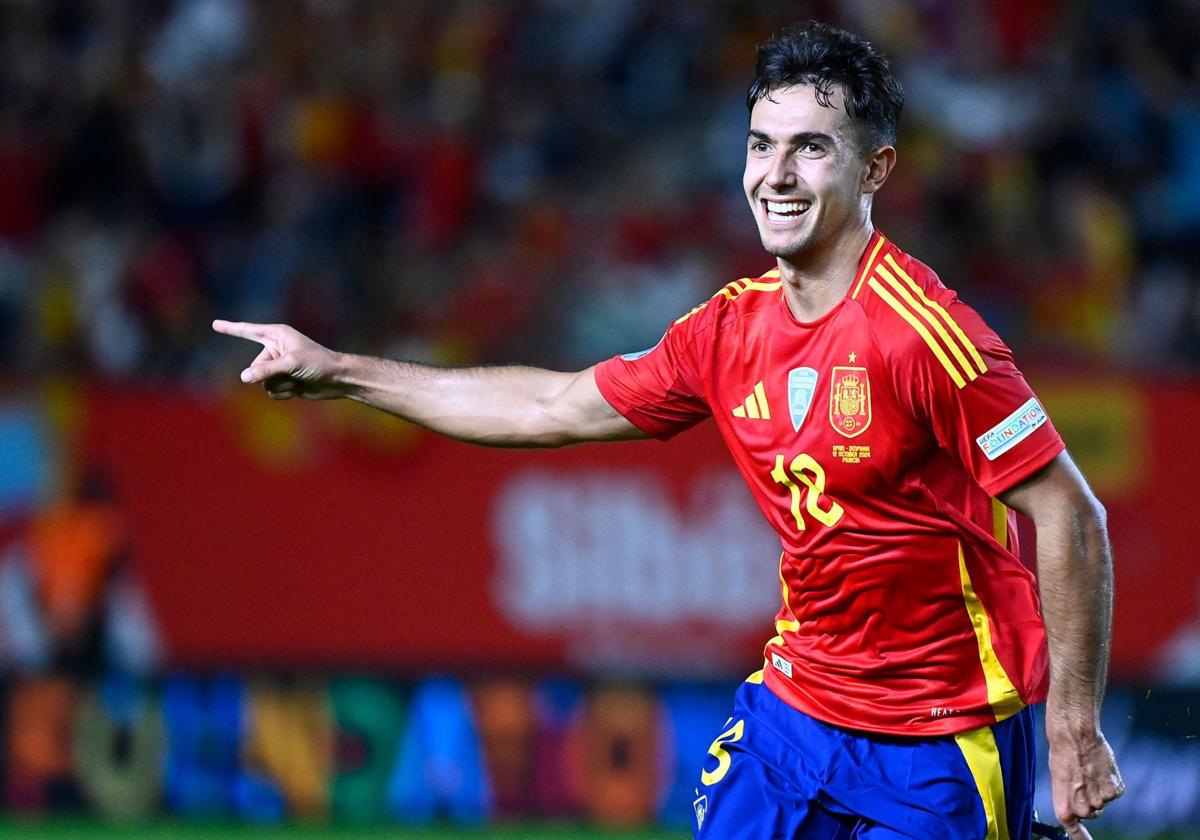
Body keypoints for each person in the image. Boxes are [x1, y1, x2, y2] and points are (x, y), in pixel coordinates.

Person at [214, 21, 1123, 840]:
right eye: (762, 146)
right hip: (795, 710)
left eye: (812, 149)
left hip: (940, 736)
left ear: (875, 169)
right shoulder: (727, 331)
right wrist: (342, 372)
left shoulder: (928, 336)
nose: (778, 174)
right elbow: (549, 407)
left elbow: (1071, 515)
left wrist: (1072, 724)